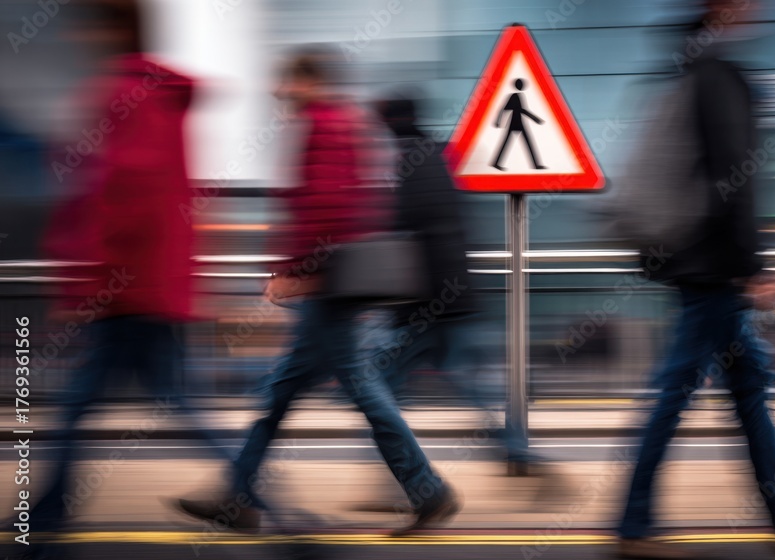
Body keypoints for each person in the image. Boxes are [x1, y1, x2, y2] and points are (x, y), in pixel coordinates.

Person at [175, 47, 460, 535]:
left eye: (286, 81)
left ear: (308, 80)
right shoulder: (343, 123)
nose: (277, 91)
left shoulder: (324, 125)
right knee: (284, 391)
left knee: (360, 390)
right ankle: (237, 494)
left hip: (331, 287)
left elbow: (325, 209)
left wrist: (297, 271)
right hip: (336, 284)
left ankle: (427, 489)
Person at [616, 1, 775, 558]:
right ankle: (633, 525)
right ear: (725, 7)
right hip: (712, 266)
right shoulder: (717, 73)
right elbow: (735, 174)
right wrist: (753, 265)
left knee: (746, 386)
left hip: (703, 260)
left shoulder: (695, 67)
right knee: (677, 390)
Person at [27, 1, 233, 557]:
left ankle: (44, 526)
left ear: (113, 27)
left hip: (129, 290)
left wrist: (89, 284)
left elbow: (118, 201)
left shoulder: (122, 95)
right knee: (169, 405)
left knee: (81, 410)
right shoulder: (159, 94)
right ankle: (46, 520)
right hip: (150, 287)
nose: (82, 35)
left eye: (91, 23)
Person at [374, 94, 542, 473]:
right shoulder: (445, 157)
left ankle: (403, 477)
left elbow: (399, 230)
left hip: (420, 303)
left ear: (390, 124)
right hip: (460, 293)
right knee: (471, 383)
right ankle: (515, 450)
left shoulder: (404, 165)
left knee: (381, 390)